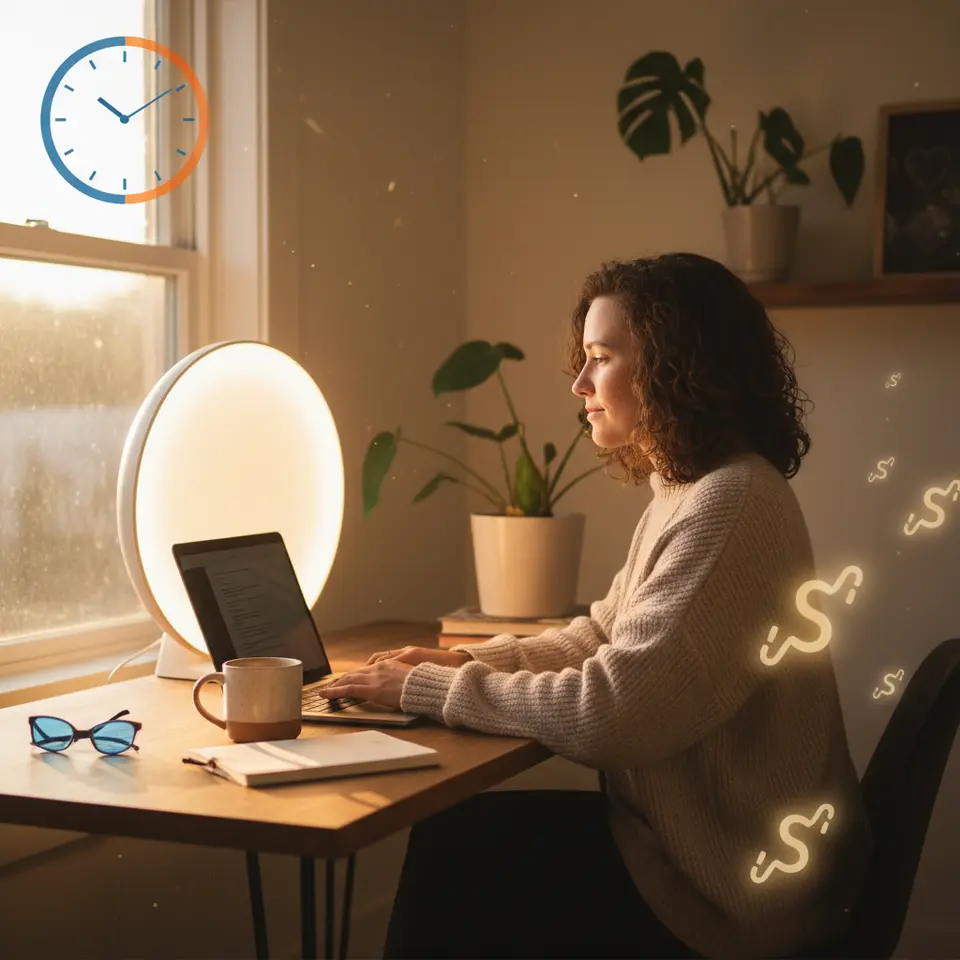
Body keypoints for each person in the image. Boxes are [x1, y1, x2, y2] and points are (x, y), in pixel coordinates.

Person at [319, 253, 872, 959]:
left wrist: (434, 687)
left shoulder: (730, 505)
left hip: (729, 900)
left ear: (678, 368)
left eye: (602, 358)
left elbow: (612, 715)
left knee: (457, 861)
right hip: (698, 853)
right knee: (457, 845)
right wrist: (462, 659)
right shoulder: (697, 489)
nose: (580, 384)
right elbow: (602, 637)